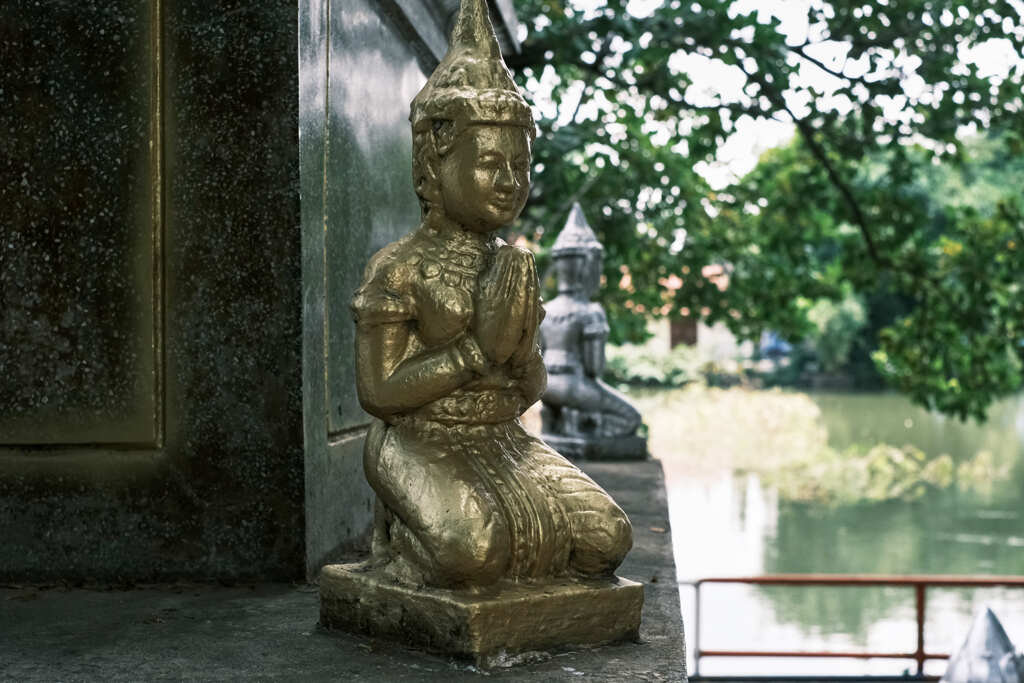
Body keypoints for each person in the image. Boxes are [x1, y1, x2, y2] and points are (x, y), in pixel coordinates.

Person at [350, 0, 631, 589]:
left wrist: (520, 353)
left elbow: (530, 390)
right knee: (474, 552)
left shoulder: (510, 265)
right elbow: (378, 393)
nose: (509, 182)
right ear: (433, 165)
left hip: (504, 436)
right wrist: (476, 352)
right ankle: (403, 541)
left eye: (520, 166)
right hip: (417, 439)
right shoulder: (400, 267)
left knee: (608, 539)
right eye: (488, 164)